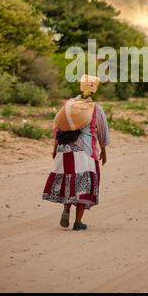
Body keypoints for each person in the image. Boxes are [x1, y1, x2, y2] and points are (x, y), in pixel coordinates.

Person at [42, 75, 109, 231]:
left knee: (68, 180)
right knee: (83, 184)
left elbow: (57, 127)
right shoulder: (95, 108)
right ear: (95, 89)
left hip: (64, 149)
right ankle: (78, 222)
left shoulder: (68, 104)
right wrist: (103, 151)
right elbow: (102, 132)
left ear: (81, 87)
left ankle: (66, 209)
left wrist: (55, 148)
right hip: (85, 151)